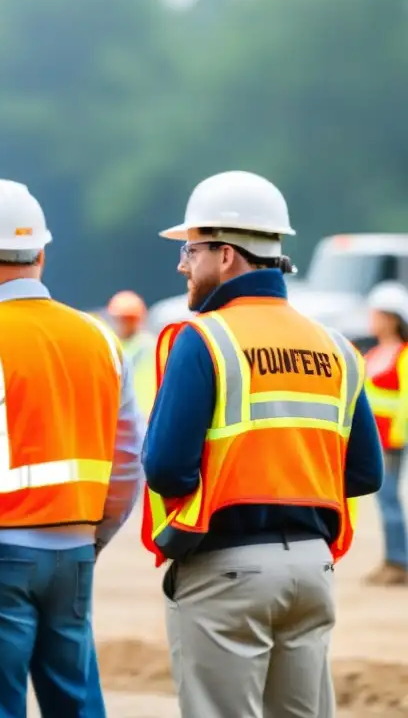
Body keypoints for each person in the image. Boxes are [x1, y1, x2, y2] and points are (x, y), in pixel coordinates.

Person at [140, 170, 385, 718]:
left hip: (225, 568)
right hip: (312, 570)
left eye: (190, 249)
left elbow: (165, 469)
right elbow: (365, 474)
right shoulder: (338, 349)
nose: (183, 264)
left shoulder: (204, 338)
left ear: (226, 256)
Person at [0, 179, 143, 718]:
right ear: (41, 254)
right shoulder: (101, 339)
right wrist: (98, 533)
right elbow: (130, 456)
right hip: (76, 551)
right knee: (76, 698)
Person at [362, 280, 408, 586]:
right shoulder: (375, 352)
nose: (371, 319)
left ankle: (399, 561)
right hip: (374, 438)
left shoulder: (402, 354)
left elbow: (404, 399)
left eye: (377, 314)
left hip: (390, 439)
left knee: (389, 499)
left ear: (391, 317)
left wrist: (396, 436)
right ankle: (393, 558)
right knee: (383, 500)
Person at [106, 290, 156, 418]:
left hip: (144, 415)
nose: (123, 323)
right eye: (120, 319)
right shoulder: (110, 344)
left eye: (129, 319)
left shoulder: (149, 345)